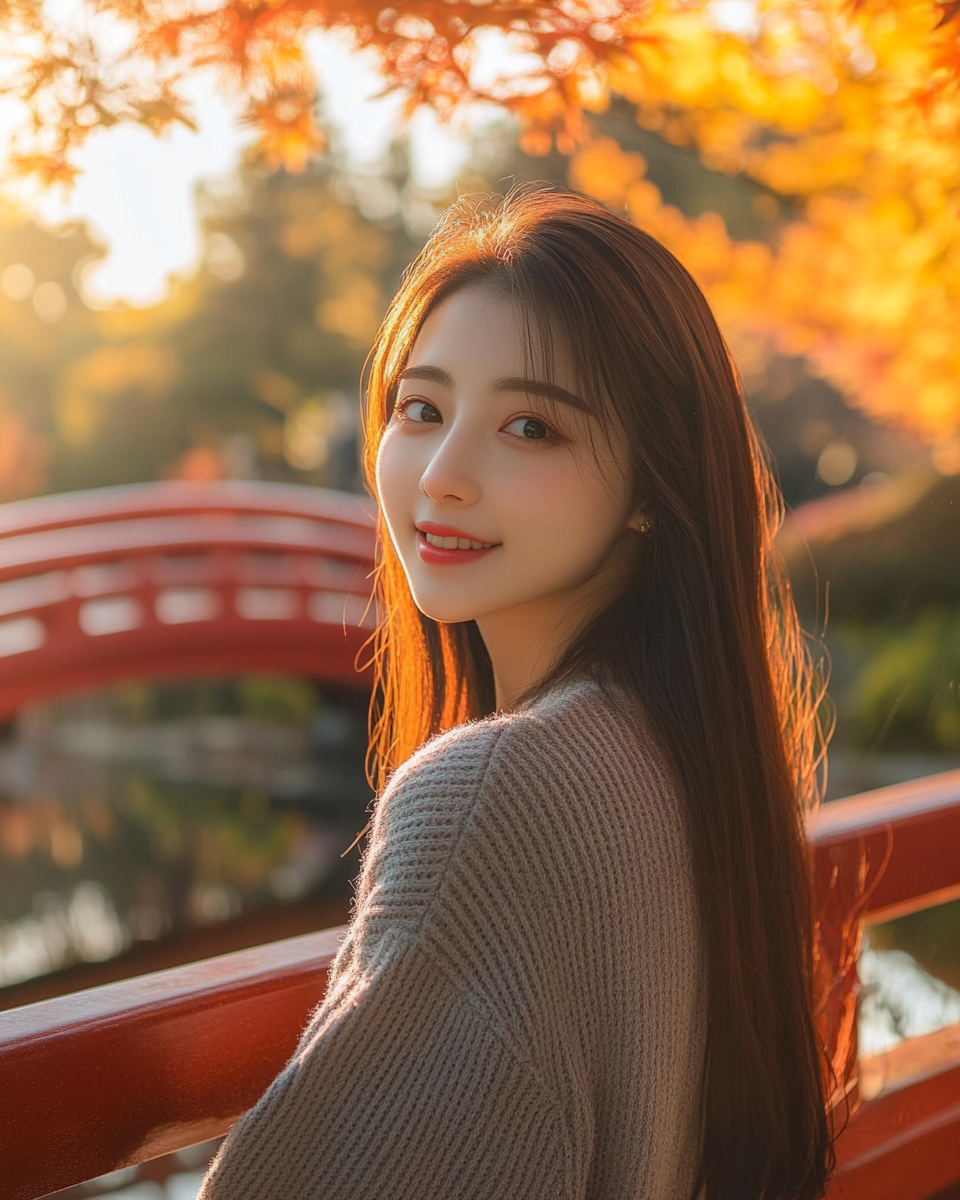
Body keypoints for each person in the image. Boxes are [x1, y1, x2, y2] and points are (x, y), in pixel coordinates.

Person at [199, 184, 839, 1200]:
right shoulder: (686, 750)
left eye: (532, 427)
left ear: (650, 487)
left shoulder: (498, 790)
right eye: (422, 408)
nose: (443, 474)